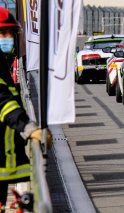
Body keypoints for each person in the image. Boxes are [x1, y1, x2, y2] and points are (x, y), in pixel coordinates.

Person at [0, 7, 52, 212]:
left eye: (9, 33)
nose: (8, 38)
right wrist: (29, 127)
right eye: (2, 33)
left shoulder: (3, 63)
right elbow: (4, 104)